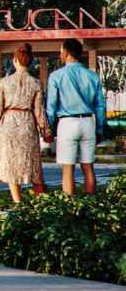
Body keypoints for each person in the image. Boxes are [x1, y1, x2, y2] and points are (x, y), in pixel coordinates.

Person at [0, 44, 51, 203]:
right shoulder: (36, 83)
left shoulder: (4, 82)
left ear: (15, 60)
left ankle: (18, 202)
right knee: (31, 162)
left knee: (11, 164)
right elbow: (40, 111)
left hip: (8, 124)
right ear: (30, 62)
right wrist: (45, 130)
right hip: (28, 123)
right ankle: (40, 201)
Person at [47, 37, 106, 196]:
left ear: (66, 53)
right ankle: (92, 205)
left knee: (68, 168)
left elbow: (51, 107)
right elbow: (100, 105)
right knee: (88, 167)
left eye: (60, 51)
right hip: (88, 121)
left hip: (67, 123)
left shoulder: (56, 76)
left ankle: (69, 209)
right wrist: (99, 128)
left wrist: (50, 128)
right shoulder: (92, 76)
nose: (60, 54)